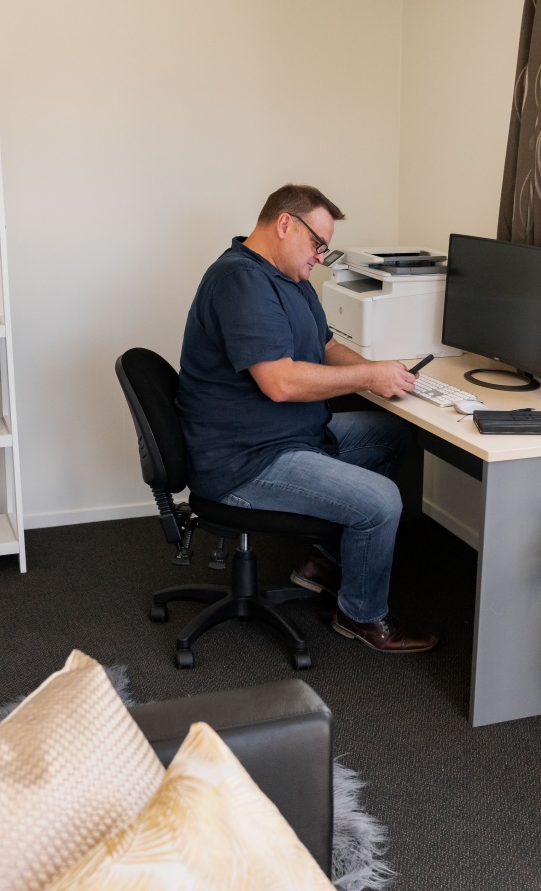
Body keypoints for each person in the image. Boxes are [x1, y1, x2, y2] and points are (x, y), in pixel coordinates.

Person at [176, 184, 438, 653]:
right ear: (283, 224)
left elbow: (327, 348)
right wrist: (368, 378)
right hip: (246, 460)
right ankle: (361, 615)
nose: (321, 256)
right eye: (317, 243)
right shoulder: (239, 281)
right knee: (380, 502)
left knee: (392, 435)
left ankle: (323, 562)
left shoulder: (292, 281)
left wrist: (383, 372)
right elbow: (280, 382)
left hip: (291, 433)